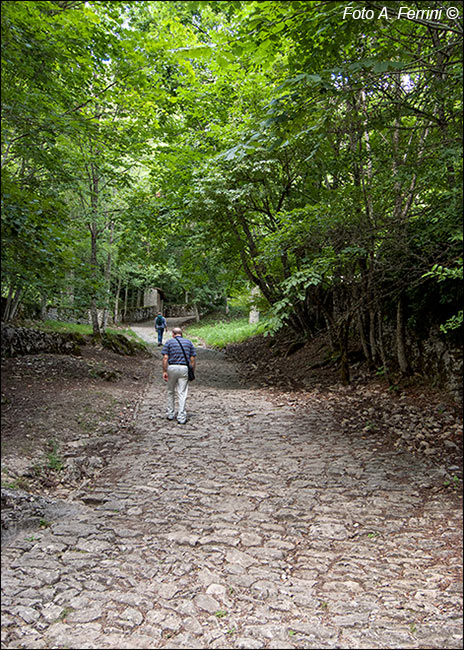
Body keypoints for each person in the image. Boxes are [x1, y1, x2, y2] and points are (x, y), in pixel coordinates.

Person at [162, 327, 196, 424]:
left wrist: (164, 371)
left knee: (170, 391)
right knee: (182, 393)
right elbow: (192, 358)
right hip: (184, 368)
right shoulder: (188, 343)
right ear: (181, 334)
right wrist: (192, 371)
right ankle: (181, 416)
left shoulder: (169, 342)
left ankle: (170, 413)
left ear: (173, 334)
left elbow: (165, 358)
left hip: (172, 367)